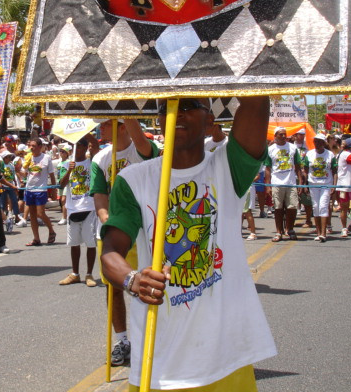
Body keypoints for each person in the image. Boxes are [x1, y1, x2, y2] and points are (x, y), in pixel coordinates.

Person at [101, 97, 276, 391]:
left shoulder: (229, 166)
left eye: (189, 105)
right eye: (167, 107)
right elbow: (110, 252)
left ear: (210, 121)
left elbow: (256, 100)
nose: (177, 113)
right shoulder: (133, 179)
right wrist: (133, 280)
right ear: (159, 120)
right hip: (158, 363)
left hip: (226, 360)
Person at [91, 118, 158, 367]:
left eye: (106, 123)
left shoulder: (141, 149)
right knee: (114, 287)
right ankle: (122, 340)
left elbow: (143, 145)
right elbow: (100, 195)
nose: (100, 128)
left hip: (146, 230)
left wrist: (126, 108)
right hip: (114, 231)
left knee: (152, 283)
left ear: (122, 126)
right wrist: (108, 220)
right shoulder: (100, 158)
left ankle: (155, 336)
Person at [58, 138, 98, 287]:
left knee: (90, 243)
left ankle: (89, 274)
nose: (77, 149)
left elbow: (96, 147)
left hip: (89, 208)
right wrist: (69, 170)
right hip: (72, 209)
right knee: (74, 243)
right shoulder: (66, 164)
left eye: (80, 146)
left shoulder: (91, 163)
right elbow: (61, 184)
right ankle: (75, 274)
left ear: (86, 147)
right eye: (75, 146)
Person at [265, 126, 303, 242]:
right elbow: (268, 168)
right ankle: (278, 231)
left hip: (291, 183)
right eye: (280, 134)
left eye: (284, 134)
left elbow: (298, 166)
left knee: (292, 207)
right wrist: (268, 185)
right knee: (278, 208)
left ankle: (290, 229)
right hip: (276, 183)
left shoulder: (293, 148)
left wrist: (300, 182)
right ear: (275, 136)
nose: (283, 136)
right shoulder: (270, 149)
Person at [302, 133, 337, 242]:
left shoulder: (330, 155)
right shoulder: (309, 154)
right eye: (315, 141)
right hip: (313, 183)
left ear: (323, 143)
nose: (316, 143)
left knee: (323, 206)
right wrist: (305, 184)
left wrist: (334, 185)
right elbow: (306, 170)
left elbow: (334, 171)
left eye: (319, 141)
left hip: (326, 184)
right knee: (315, 207)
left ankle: (323, 233)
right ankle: (318, 232)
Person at [22, 137, 57, 246]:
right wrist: (20, 169)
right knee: (32, 215)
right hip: (29, 189)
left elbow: (51, 174)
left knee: (40, 213)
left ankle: (51, 230)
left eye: (34, 146)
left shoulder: (46, 158)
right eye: (30, 146)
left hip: (41, 189)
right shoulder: (28, 157)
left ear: (40, 147)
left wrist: (54, 190)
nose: (31, 148)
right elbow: (24, 173)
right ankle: (36, 238)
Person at [293, 128, 314, 228]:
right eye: (299, 134)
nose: (301, 137)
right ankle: (291, 221)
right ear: (295, 135)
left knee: (306, 199)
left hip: (304, 176)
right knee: (293, 199)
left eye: (303, 135)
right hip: (293, 176)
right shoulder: (291, 147)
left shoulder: (307, 147)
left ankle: (308, 220)